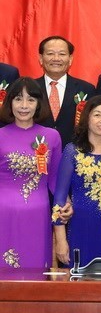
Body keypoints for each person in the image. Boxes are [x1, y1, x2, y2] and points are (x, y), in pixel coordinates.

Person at [52, 95, 101, 266]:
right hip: (81, 227)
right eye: (97, 114)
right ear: (87, 118)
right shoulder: (72, 151)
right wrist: (60, 240)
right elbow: (59, 199)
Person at [0, 77, 62, 269]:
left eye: (31, 100)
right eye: (18, 99)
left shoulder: (52, 136)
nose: (24, 105)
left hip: (38, 214)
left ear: (39, 104)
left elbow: (55, 181)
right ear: (10, 102)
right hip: (4, 214)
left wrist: (65, 204)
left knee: (36, 270)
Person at [35, 36, 95, 146]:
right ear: (41, 58)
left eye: (62, 54)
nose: (56, 58)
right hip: (36, 155)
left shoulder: (87, 89)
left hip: (75, 155)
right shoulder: (29, 88)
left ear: (70, 59)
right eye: (50, 54)